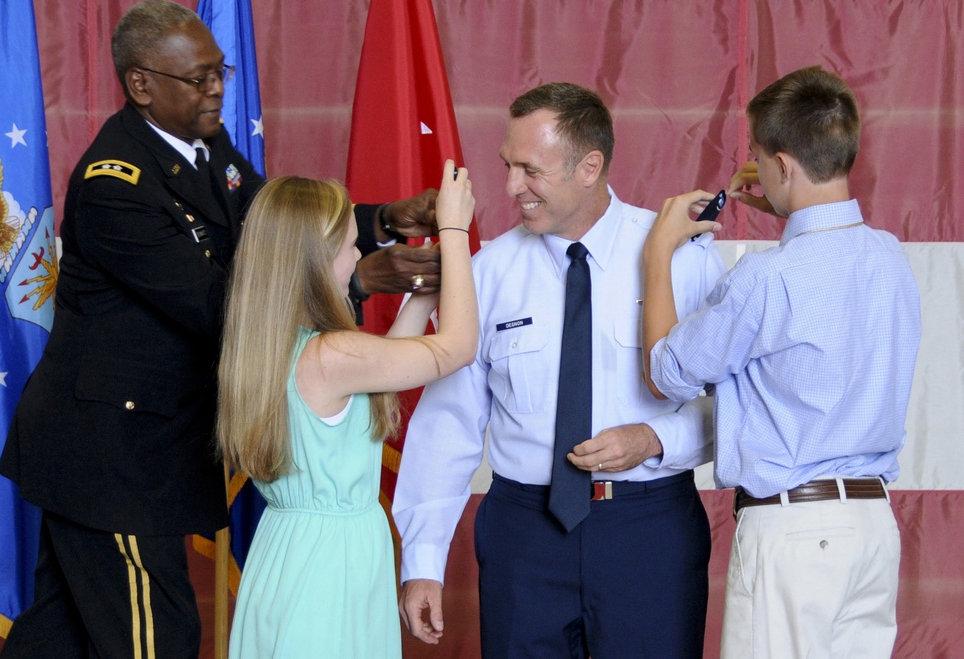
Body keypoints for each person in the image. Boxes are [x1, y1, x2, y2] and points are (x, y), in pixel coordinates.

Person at [0, 0, 442, 658]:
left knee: (59, 637)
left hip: (138, 448)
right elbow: (222, 304)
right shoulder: (114, 181)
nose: (215, 89)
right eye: (198, 78)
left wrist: (378, 222)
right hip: (112, 456)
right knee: (156, 639)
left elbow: (277, 230)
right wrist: (359, 278)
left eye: (219, 72)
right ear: (141, 84)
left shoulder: (208, 148)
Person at [392, 82, 726, 658]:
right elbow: (448, 423)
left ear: (589, 166)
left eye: (530, 170)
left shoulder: (681, 259)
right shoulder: (485, 273)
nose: (509, 187)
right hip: (523, 533)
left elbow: (736, 402)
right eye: (507, 165)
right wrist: (422, 561)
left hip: (648, 531)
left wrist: (653, 438)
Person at [643, 66, 922, 658]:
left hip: (794, 532)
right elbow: (825, 257)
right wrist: (792, 208)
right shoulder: (890, 257)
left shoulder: (767, 279)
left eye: (759, 157)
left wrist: (658, 254)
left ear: (783, 165)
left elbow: (666, 372)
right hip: (871, 529)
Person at [217, 162, 477, 658]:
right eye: (349, 242)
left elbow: (379, 376)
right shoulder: (330, 355)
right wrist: (456, 230)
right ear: (315, 259)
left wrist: (423, 289)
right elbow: (458, 347)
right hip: (327, 568)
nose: (360, 252)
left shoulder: (279, 347)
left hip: (290, 552)